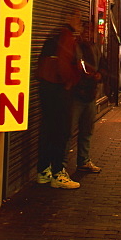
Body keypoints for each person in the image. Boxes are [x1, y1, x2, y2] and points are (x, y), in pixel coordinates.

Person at [35, 10, 83, 189]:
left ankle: (43, 170)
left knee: (48, 130)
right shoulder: (66, 36)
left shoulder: (54, 33)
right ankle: (58, 173)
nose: (80, 21)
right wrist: (69, 82)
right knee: (61, 131)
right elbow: (64, 63)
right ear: (68, 18)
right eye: (77, 17)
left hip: (46, 86)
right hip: (58, 89)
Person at [72, 17, 103, 174]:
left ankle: (83, 160)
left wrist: (99, 76)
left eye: (91, 30)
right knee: (69, 131)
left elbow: (101, 65)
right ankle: (60, 166)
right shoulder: (76, 46)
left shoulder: (94, 47)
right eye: (86, 29)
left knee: (87, 129)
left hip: (90, 93)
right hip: (77, 94)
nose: (89, 33)